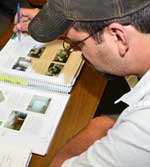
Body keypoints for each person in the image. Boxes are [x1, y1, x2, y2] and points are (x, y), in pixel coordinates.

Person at [13, 0, 150, 166]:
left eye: (77, 45)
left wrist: (99, 126)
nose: (76, 51)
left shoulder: (142, 127)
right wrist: (65, 27)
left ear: (119, 37)